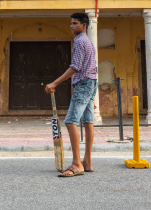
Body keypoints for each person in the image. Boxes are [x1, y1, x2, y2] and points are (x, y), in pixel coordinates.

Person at [45, 12, 97, 177]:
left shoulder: (80, 41)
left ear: (84, 25)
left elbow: (76, 66)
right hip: (91, 82)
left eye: (75, 23)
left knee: (70, 121)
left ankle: (77, 164)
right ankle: (87, 162)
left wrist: (55, 83)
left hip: (83, 84)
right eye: (71, 23)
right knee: (88, 121)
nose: (71, 26)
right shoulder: (88, 42)